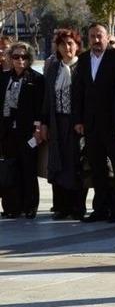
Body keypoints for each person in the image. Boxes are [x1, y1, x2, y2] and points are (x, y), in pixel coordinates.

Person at [72, 23, 115, 223]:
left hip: (114, 124)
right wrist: (78, 119)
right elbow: (79, 91)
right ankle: (100, 208)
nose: (96, 40)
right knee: (97, 168)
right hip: (91, 125)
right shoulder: (84, 59)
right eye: (92, 36)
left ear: (107, 37)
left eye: (100, 36)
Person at [40, 29, 86, 221]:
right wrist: (44, 123)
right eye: (63, 44)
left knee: (76, 164)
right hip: (56, 122)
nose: (67, 48)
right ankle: (60, 206)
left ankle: (77, 206)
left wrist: (82, 120)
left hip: (75, 124)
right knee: (57, 165)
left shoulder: (83, 67)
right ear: (57, 47)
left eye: (70, 44)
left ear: (77, 46)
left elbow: (87, 98)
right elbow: (46, 98)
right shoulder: (53, 68)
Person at [0, 42, 44, 219]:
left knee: (28, 169)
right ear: (10, 58)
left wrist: (38, 130)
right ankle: (11, 207)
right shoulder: (3, 78)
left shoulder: (36, 79)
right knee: (10, 169)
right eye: (16, 56)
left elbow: (40, 108)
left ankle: (30, 206)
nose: (20, 60)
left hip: (28, 132)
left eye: (24, 57)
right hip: (6, 132)